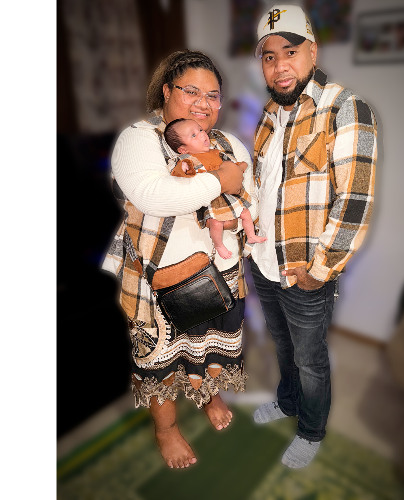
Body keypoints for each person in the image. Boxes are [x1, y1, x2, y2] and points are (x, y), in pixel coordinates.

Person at [102, 50, 256, 469]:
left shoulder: (227, 142)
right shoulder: (140, 137)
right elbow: (155, 196)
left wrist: (238, 210)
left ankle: (208, 396)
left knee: (210, 349)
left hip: (221, 272)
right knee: (160, 360)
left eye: (213, 95)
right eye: (192, 91)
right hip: (161, 279)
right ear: (167, 91)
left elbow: (252, 198)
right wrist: (220, 180)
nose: (204, 103)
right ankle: (166, 429)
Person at [249, 5, 378, 468]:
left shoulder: (346, 109)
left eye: (290, 51)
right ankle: (288, 402)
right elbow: (263, 187)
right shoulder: (269, 114)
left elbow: (354, 203)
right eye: (269, 56)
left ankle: (311, 429)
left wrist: (320, 270)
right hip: (265, 262)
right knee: (282, 346)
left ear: (313, 52)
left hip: (306, 271)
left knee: (309, 359)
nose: (279, 65)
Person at [164, 118, 267, 259]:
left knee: (245, 213)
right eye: (193, 135)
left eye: (200, 130)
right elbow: (177, 173)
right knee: (216, 222)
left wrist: (240, 166)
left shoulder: (216, 152)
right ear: (183, 149)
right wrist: (183, 168)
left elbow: (231, 165)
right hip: (212, 200)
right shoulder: (186, 159)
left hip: (228, 195)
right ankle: (218, 245)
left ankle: (251, 235)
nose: (202, 134)